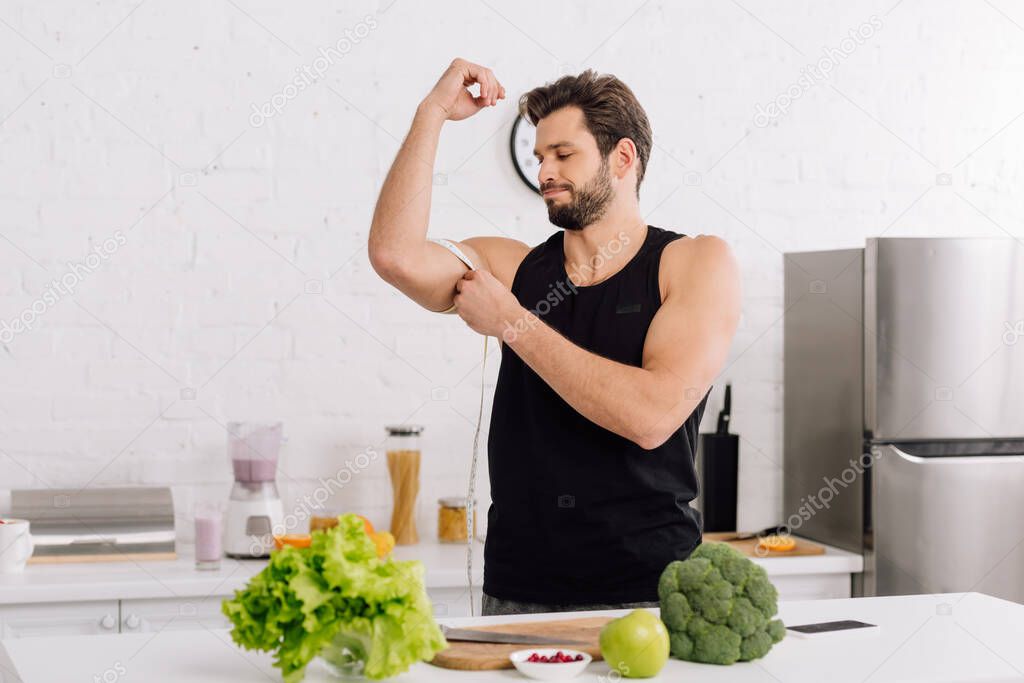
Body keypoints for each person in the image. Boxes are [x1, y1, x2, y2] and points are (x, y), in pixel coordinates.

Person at [368, 58, 741, 615]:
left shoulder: (692, 262)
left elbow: (651, 417)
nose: (545, 172)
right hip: (515, 592)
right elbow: (394, 256)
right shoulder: (513, 268)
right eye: (541, 157)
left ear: (622, 158)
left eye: (564, 155)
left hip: (646, 596)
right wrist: (433, 114)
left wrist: (513, 323)